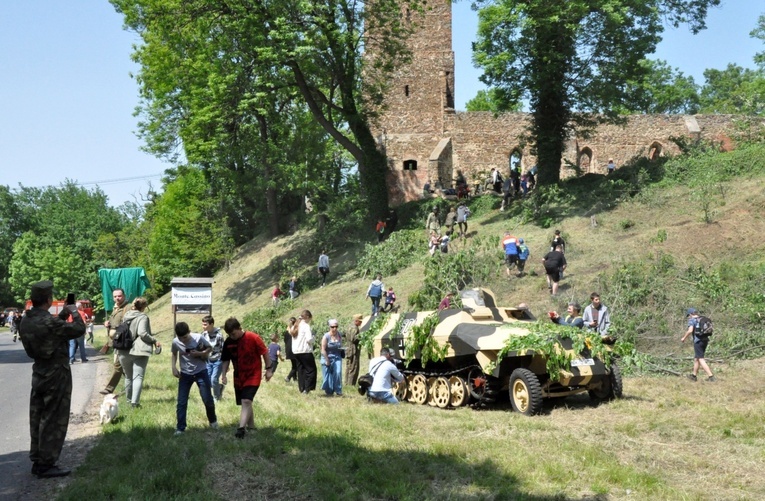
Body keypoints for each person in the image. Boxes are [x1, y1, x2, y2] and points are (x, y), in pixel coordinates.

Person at [19, 280, 86, 478]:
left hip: (39, 372)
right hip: (56, 374)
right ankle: (47, 464)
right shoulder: (49, 322)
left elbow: (53, 328)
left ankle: (37, 458)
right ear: (48, 299)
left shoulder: (26, 320)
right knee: (53, 419)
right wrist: (73, 311)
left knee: (37, 417)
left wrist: (63, 313)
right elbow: (78, 329)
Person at [221, 317, 273, 438]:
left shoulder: (253, 337)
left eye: (233, 334)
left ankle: (241, 429)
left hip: (253, 374)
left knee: (246, 400)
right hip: (239, 376)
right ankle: (252, 427)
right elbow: (225, 359)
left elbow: (265, 352)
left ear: (239, 328)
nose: (232, 337)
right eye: (229, 334)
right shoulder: (228, 342)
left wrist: (269, 369)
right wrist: (223, 374)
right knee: (246, 402)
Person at [171, 322, 218, 435]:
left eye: (185, 337)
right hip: (185, 375)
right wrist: (173, 367)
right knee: (181, 402)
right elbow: (173, 353)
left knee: (207, 399)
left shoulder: (198, 337)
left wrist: (200, 353)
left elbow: (209, 348)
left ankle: (213, 421)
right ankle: (180, 428)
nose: (183, 340)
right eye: (180, 338)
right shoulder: (175, 341)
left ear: (189, 332)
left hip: (201, 372)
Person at [117, 297, 160, 408]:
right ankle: (134, 403)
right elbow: (142, 333)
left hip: (123, 349)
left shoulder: (126, 315)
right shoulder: (142, 317)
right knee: (138, 377)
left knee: (128, 377)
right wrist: (154, 340)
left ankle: (128, 401)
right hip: (139, 350)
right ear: (144, 306)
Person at [99, 288, 132, 395]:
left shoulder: (128, 307)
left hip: (123, 341)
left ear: (124, 296)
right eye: (115, 296)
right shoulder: (115, 308)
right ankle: (133, 383)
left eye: (119, 296)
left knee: (118, 366)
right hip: (116, 342)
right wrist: (107, 324)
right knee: (122, 366)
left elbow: (127, 324)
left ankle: (109, 389)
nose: (117, 298)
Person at [681, 308, 716, 382]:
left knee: (700, 358)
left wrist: (684, 338)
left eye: (688, 315)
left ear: (690, 314)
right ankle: (694, 376)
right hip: (705, 340)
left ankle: (711, 376)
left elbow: (690, 330)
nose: (689, 317)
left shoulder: (692, 320)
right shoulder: (703, 318)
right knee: (696, 359)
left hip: (698, 341)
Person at [289, 310, 317, 394]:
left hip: (296, 352)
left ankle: (302, 388)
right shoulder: (306, 326)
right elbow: (309, 339)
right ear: (307, 317)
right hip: (305, 351)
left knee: (301, 370)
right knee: (311, 370)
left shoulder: (295, 326)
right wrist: (314, 337)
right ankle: (308, 388)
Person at [202, 315, 226, 401]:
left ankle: (216, 397)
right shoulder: (203, 335)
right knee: (207, 380)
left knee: (213, 379)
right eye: (203, 324)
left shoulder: (219, 335)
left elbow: (224, 350)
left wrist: (225, 365)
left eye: (205, 324)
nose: (203, 326)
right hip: (208, 360)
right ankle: (219, 387)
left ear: (211, 324)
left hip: (218, 360)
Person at [320, 319, 344, 396]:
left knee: (338, 372)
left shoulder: (339, 335)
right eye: (332, 327)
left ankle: (338, 390)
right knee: (328, 375)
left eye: (336, 326)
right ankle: (329, 391)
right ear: (329, 327)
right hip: (327, 356)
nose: (335, 328)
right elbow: (323, 349)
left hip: (337, 356)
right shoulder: (326, 336)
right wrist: (327, 360)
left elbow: (341, 345)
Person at [345, 314, 363, 386]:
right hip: (353, 351)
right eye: (360, 321)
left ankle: (346, 383)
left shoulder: (349, 326)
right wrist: (361, 336)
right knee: (353, 368)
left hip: (349, 350)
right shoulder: (354, 328)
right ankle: (351, 384)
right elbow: (353, 339)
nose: (361, 323)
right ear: (356, 321)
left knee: (348, 368)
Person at [283, 317, 298, 383]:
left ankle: (295, 378)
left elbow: (285, 341)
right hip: (294, 349)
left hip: (288, 350)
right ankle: (288, 377)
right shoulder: (295, 331)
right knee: (296, 366)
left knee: (294, 364)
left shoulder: (286, 332)